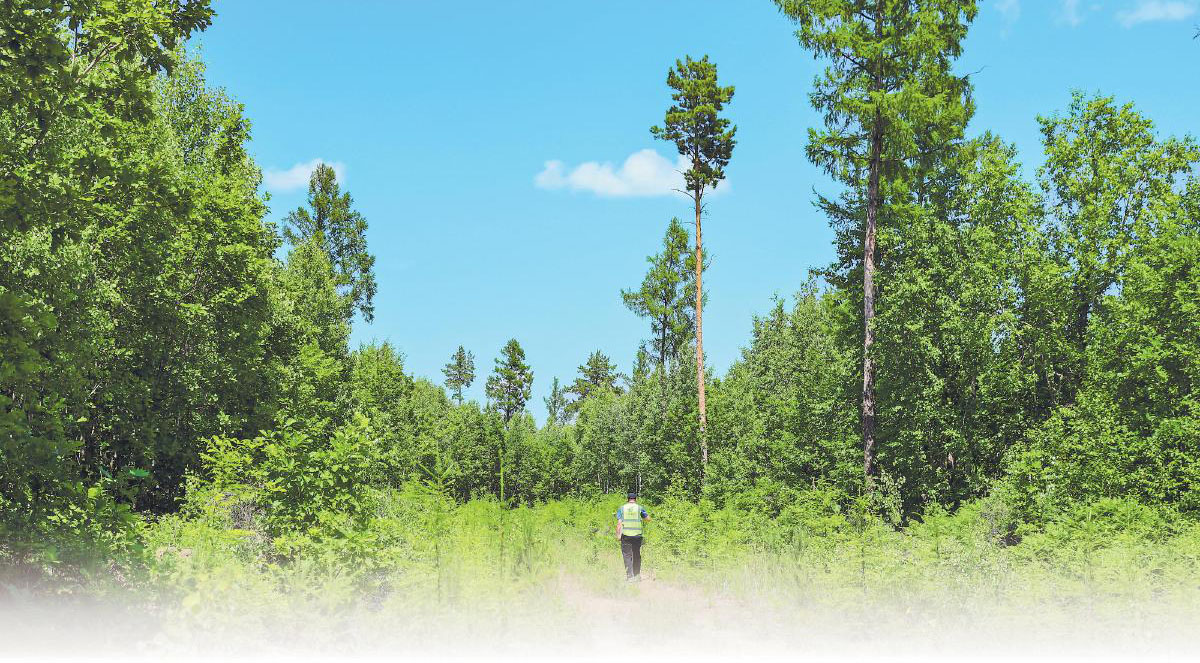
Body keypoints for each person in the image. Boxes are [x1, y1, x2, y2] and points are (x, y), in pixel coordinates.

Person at [616, 492, 650, 581]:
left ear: (627, 499)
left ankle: (630, 577)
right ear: (635, 499)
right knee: (636, 555)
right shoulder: (639, 508)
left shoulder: (622, 508)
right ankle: (637, 576)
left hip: (626, 536)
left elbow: (619, 523)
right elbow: (648, 519)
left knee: (627, 556)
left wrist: (618, 535)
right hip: (637, 536)